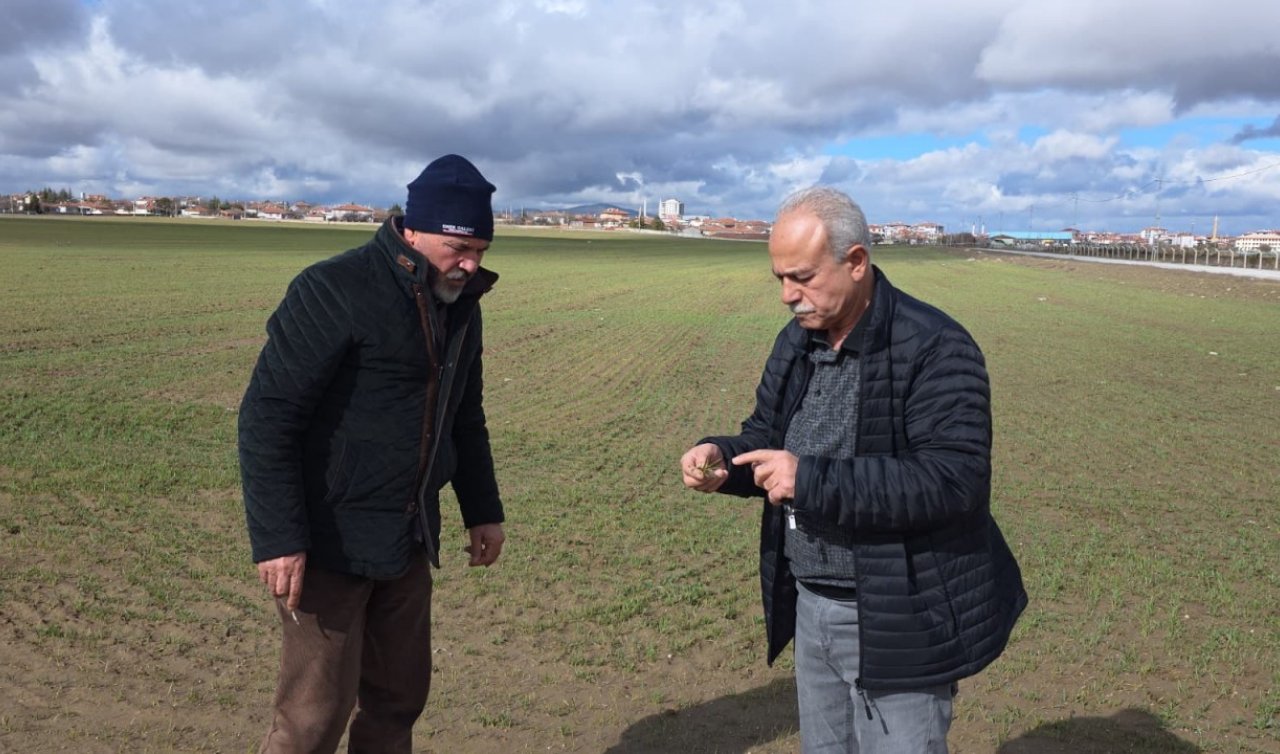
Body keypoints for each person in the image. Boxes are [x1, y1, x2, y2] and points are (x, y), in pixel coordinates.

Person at [680, 187, 1026, 753]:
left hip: (899, 614)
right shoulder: (797, 341)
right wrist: (722, 460)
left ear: (857, 261)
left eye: (802, 277)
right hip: (812, 603)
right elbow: (768, 438)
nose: (788, 296)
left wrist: (809, 480)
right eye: (779, 279)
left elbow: (952, 480)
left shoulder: (935, 346)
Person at [239, 154, 507, 753]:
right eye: (458, 248)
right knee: (312, 719)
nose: (470, 265)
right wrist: (279, 538)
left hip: (408, 540)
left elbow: (465, 417)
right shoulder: (332, 289)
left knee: (397, 702)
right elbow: (267, 417)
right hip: (329, 544)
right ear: (413, 231)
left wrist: (483, 510)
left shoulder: (460, 306)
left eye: (481, 251)